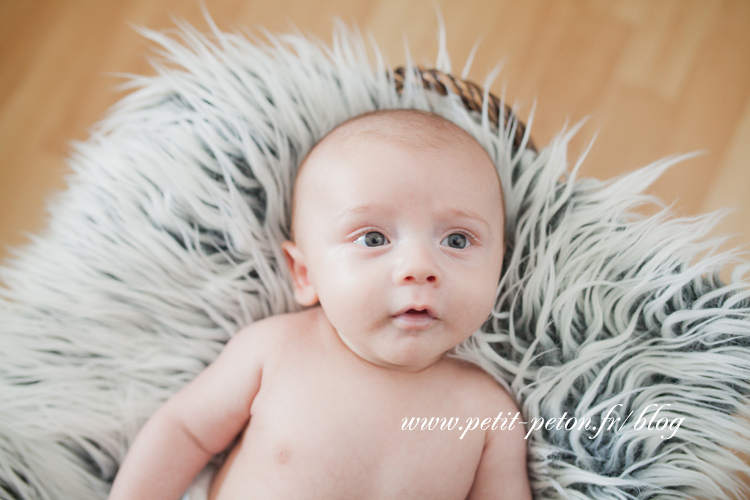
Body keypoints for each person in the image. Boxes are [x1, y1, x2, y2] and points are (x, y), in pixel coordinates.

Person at [109, 108, 532, 499]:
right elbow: (184, 431)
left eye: (456, 240)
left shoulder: (488, 416)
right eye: (373, 238)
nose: (419, 267)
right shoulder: (275, 350)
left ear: (500, 264)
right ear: (305, 274)